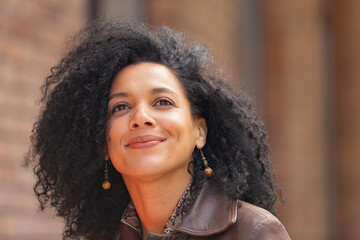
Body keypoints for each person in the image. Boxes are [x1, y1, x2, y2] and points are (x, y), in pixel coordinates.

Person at [26, 19, 291, 240]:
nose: (140, 118)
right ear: (103, 143)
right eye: (120, 107)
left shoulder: (253, 231)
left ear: (200, 132)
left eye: (163, 102)